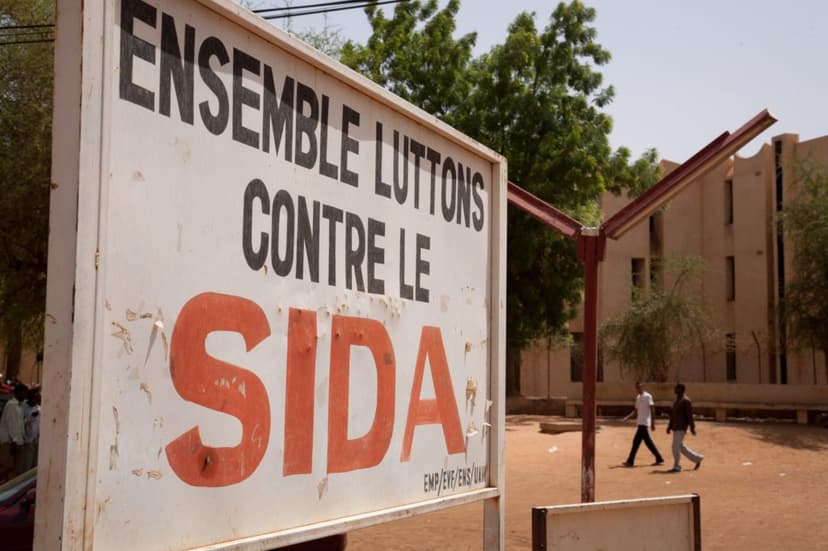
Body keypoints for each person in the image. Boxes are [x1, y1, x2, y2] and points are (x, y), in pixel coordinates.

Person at [621, 382, 664, 467]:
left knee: (636, 442)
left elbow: (652, 409)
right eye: (637, 387)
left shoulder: (648, 396)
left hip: (644, 423)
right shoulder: (638, 398)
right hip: (640, 422)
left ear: (643, 387)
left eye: (639, 387)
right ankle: (659, 458)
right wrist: (627, 417)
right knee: (647, 442)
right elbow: (635, 411)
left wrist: (652, 423)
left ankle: (630, 461)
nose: (638, 389)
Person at [666, 383, 703, 472]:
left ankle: (677, 466)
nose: (675, 390)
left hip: (681, 427)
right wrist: (669, 426)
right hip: (675, 427)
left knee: (675, 446)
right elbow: (672, 415)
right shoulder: (675, 401)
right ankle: (697, 459)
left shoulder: (686, 401)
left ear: (682, 390)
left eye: (677, 388)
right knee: (680, 447)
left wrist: (692, 428)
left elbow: (689, 416)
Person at [0, 384, 28, 481]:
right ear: (17, 393)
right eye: (24, 393)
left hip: (17, 441)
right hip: (11, 442)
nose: (25, 395)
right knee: (7, 468)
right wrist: (15, 441)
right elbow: (12, 425)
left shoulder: (19, 406)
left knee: (14, 471)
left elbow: (19, 425)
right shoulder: (12, 405)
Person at [23, 387, 41, 471]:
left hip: (37, 440)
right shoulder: (23, 406)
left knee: (35, 465)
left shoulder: (38, 408)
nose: (36, 400)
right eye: (35, 398)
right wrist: (31, 417)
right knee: (27, 464)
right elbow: (20, 423)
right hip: (27, 440)